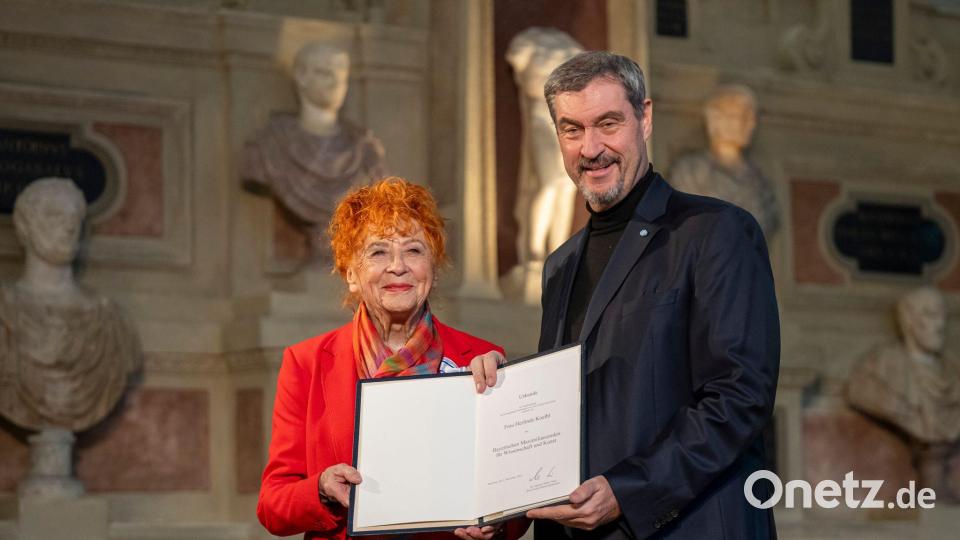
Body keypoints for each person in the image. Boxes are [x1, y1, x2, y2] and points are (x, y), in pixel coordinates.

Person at [471, 52, 780, 539]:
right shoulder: (560, 265)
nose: (590, 148)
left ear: (645, 118)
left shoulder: (715, 231)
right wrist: (505, 391)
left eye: (608, 124)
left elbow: (739, 397)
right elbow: (580, 403)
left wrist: (628, 490)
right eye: (572, 130)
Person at [257, 178, 526, 540]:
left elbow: (516, 501)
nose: (398, 266)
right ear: (351, 274)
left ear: (433, 267)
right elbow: (273, 507)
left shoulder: (482, 358)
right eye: (378, 252)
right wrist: (320, 487)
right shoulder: (306, 362)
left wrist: (493, 522)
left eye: (414, 250)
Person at [0, 177, 141, 434]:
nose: (68, 226)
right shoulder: (4, 309)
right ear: (24, 225)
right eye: (54, 215)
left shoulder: (108, 319)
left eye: (74, 217)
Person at [242, 42, 388, 262]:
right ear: (301, 77)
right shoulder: (267, 146)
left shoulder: (367, 153)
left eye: (342, 75)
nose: (336, 83)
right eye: (325, 73)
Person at [847, 287, 960, 499]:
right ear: (907, 320)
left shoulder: (954, 370)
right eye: (930, 315)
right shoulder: (879, 367)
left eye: (943, 316)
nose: (940, 325)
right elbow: (858, 391)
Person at [668, 85, 780, 237]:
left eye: (753, 118)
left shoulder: (761, 182)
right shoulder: (689, 172)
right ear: (717, 120)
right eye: (743, 116)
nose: (752, 124)